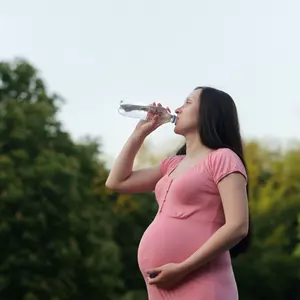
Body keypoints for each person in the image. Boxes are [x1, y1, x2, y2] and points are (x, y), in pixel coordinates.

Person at [105, 86, 250, 300]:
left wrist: (183, 268)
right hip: (162, 286)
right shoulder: (171, 165)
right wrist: (139, 134)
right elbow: (116, 182)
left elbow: (237, 226)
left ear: (208, 113)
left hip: (201, 282)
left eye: (188, 103)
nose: (178, 109)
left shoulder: (223, 158)